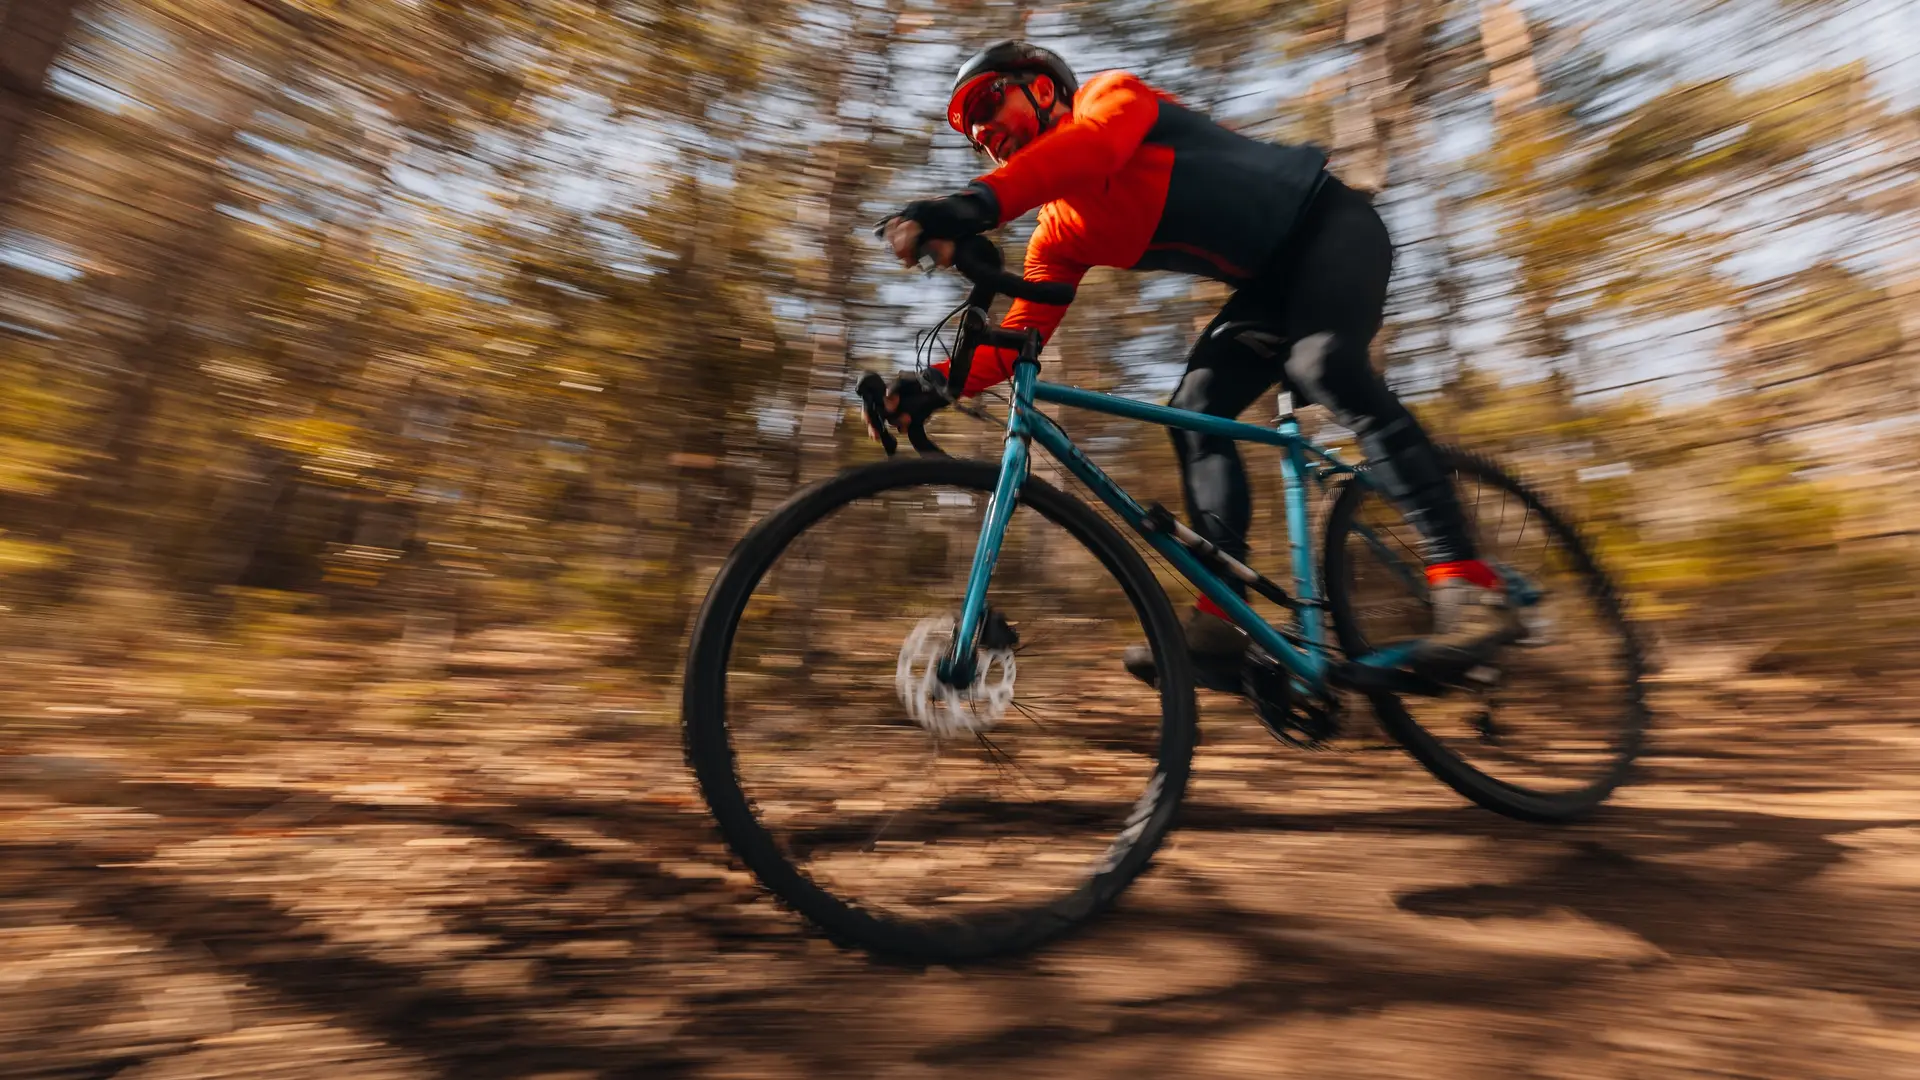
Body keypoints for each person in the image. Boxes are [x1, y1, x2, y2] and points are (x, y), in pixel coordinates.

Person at [874, 40, 1517, 687]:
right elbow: (1019, 335)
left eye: (988, 103)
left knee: (1324, 364)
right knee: (1193, 413)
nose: (984, 133)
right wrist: (936, 383)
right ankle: (1224, 620)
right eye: (971, 132)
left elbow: (1090, 150)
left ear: (1043, 90)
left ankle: (1471, 584)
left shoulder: (1111, 99)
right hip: (1268, 287)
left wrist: (973, 205)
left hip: (1332, 224)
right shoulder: (1061, 232)